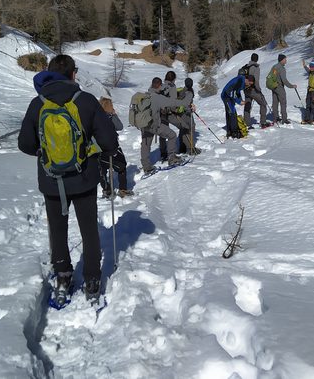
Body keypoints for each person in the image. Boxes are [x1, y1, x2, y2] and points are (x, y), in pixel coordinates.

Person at [19, 54, 120, 302]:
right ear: (73, 74)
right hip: (84, 178)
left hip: (51, 180)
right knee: (88, 229)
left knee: (58, 230)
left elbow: (25, 144)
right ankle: (93, 279)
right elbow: (110, 141)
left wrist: (44, 153)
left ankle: (63, 276)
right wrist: (97, 152)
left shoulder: (38, 103)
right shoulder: (84, 100)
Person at [141, 77, 194, 173]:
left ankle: (146, 166)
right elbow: (181, 103)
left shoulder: (145, 95)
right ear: (160, 86)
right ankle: (172, 157)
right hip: (154, 125)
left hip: (143, 124)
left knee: (145, 144)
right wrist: (190, 94)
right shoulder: (158, 98)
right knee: (172, 135)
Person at [98, 96, 132, 197]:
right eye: (111, 105)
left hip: (99, 150)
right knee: (121, 166)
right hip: (112, 148)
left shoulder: (94, 116)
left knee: (102, 170)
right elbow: (120, 127)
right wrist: (114, 114)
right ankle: (123, 189)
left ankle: (106, 189)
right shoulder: (110, 117)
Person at [243, 53, 271, 128]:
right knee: (263, 104)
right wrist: (259, 90)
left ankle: (247, 124)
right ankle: (263, 122)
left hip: (245, 89)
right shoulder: (256, 67)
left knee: (247, 105)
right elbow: (256, 81)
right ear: (257, 59)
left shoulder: (246, 67)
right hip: (253, 90)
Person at [221, 73, 254, 138]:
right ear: (247, 80)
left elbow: (237, 92)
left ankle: (230, 130)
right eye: (249, 83)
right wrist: (239, 101)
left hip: (230, 96)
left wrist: (240, 100)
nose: (249, 85)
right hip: (226, 96)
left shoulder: (242, 81)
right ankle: (234, 132)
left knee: (231, 112)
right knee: (232, 112)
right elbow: (231, 92)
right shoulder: (239, 81)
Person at [269, 54, 297, 124]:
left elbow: (272, 76)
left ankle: (275, 118)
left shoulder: (275, 67)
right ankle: (284, 119)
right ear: (282, 60)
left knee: (275, 103)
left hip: (273, 87)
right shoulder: (281, 68)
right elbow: (284, 80)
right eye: (285, 59)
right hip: (279, 87)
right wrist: (291, 86)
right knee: (283, 102)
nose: (286, 61)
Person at [176, 77, 201, 154]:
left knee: (183, 129)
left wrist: (191, 105)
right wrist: (190, 109)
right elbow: (186, 104)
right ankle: (190, 148)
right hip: (186, 113)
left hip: (180, 112)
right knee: (190, 128)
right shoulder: (189, 92)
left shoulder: (183, 90)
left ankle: (182, 147)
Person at [159, 71, 180, 162]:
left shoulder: (161, 86)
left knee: (163, 132)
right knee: (181, 127)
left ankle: (163, 153)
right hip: (168, 113)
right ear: (174, 79)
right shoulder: (172, 87)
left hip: (159, 112)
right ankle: (171, 155)